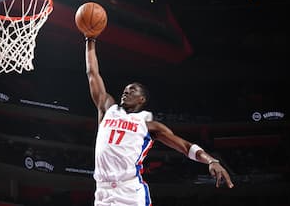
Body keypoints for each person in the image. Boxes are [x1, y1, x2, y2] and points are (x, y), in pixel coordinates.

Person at [84, 36, 234, 206]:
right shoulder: (107, 109)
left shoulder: (149, 125)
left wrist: (211, 161)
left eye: (132, 90)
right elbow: (92, 73)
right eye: (125, 90)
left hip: (130, 192)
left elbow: (185, 146)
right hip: (102, 192)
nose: (126, 92)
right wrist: (90, 39)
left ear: (142, 99)